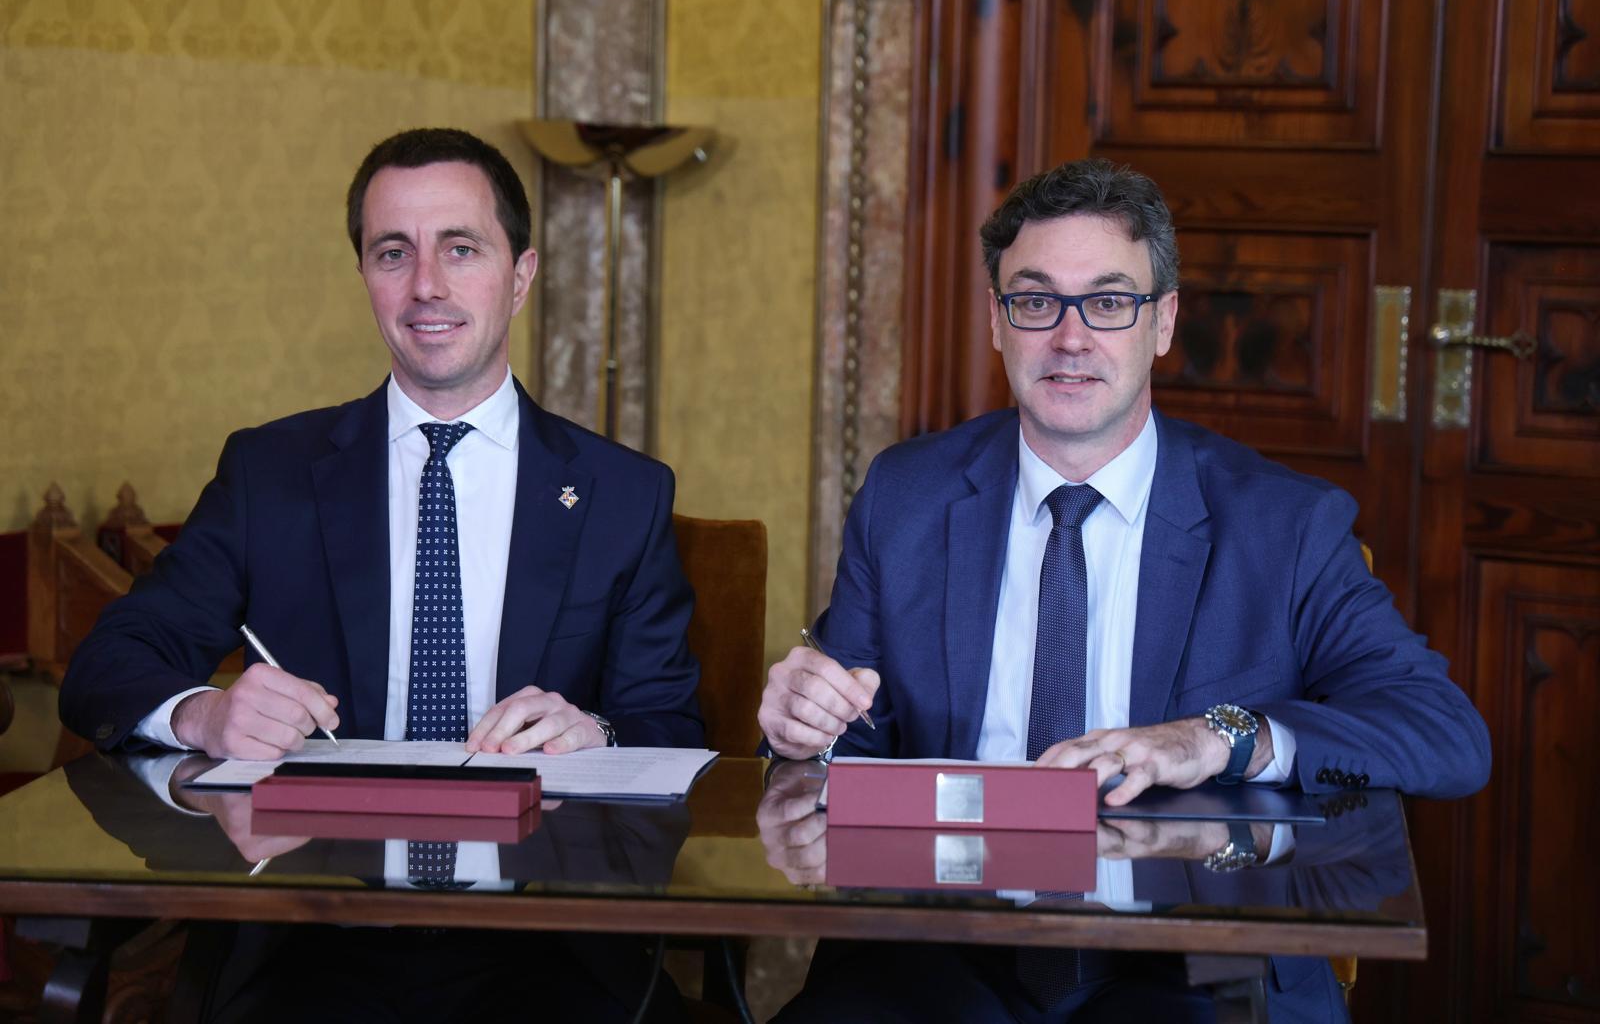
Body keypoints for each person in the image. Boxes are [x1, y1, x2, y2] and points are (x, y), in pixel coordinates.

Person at [757, 158, 1489, 1022]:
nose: (1071, 338)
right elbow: (851, 741)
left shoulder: (1283, 525)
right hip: (939, 948)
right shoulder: (906, 496)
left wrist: (1225, 739)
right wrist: (804, 729)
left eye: (1108, 302)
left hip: (1195, 959)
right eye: (1036, 302)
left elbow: (1445, 734)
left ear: (1163, 321)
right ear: (996, 320)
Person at [60, 127, 702, 760]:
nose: (426, 286)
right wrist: (203, 714)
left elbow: (670, 723)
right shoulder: (268, 473)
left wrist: (597, 732)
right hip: (322, 828)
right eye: (393, 253)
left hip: (540, 827)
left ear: (519, 277)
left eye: (460, 249)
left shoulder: (624, 494)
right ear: (365, 273)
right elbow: (108, 663)